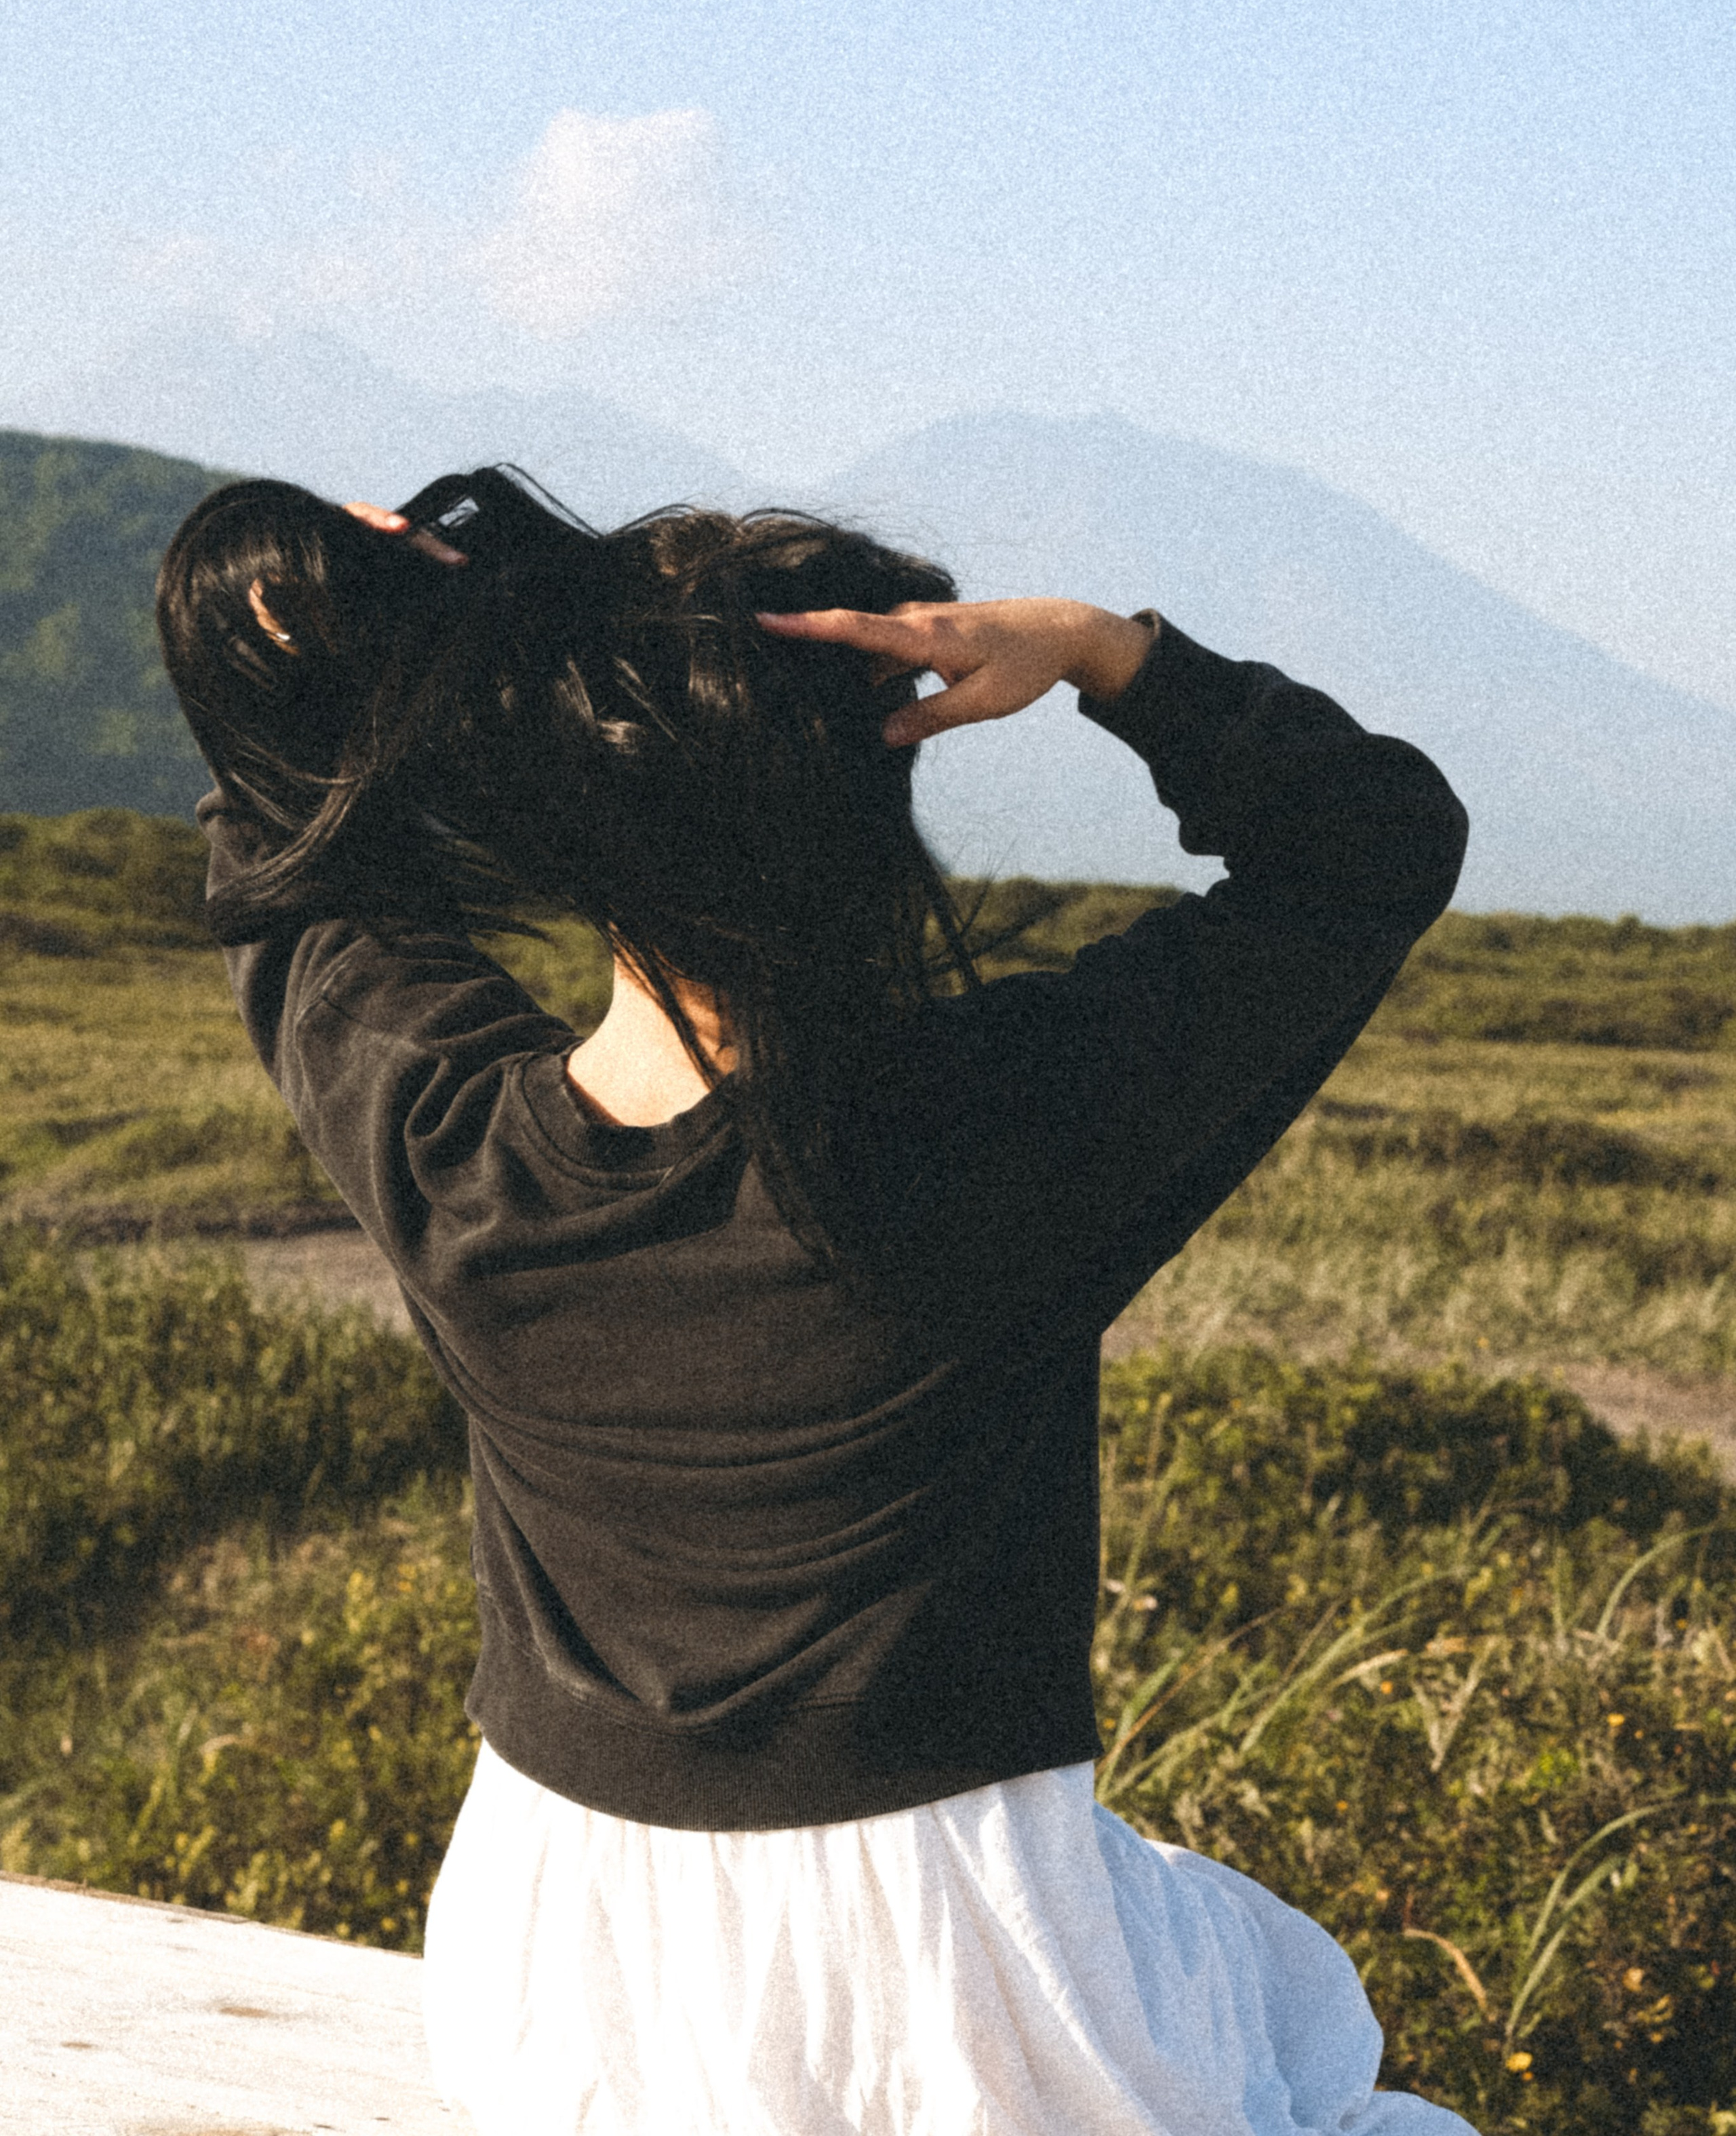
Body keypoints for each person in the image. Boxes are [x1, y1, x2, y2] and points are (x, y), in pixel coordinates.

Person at [157, 463, 1474, 2136]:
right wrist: (1096, 650)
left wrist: (314, 623)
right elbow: (1368, 849)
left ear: (577, 812)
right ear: (872, 807)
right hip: (962, 1979)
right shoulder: (1005, 1136)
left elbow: (297, 877)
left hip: (564, 1983)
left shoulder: (448, 1153)